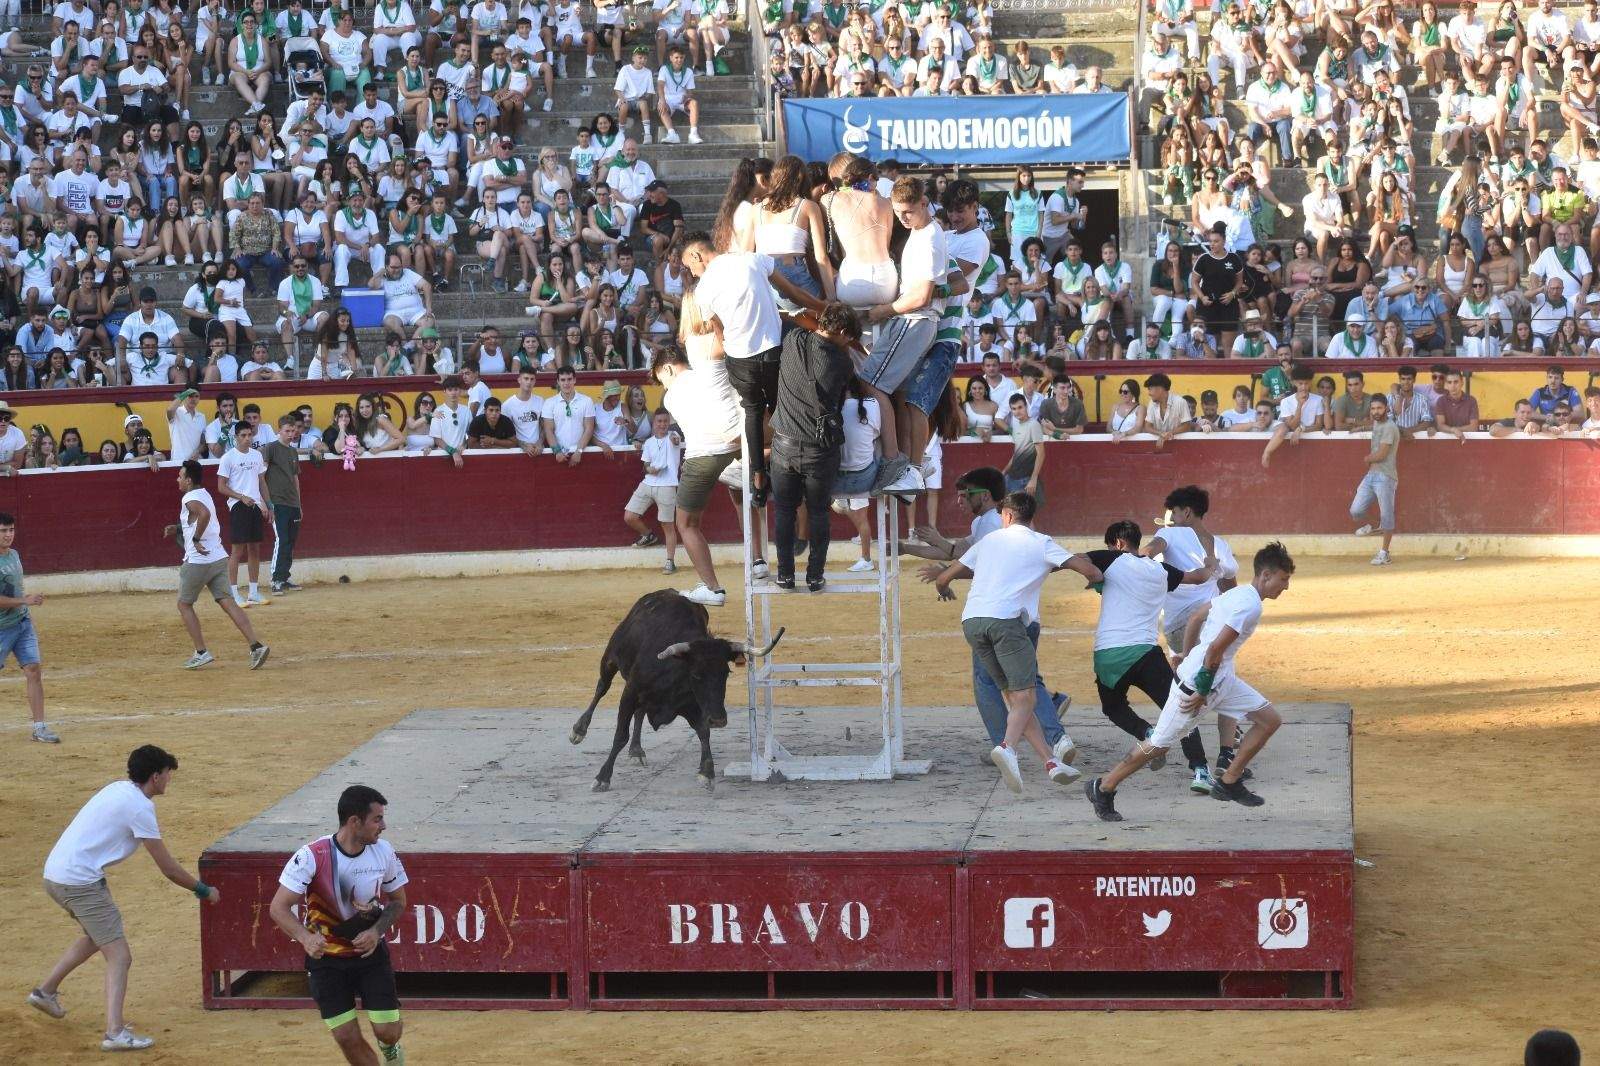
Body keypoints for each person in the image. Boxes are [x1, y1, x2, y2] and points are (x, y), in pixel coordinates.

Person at [30, 745, 222, 1052]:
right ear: (155, 776)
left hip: (56, 874)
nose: (170, 779)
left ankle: (45, 991)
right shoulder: (140, 808)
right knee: (119, 954)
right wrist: (203, 890)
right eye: (168, 773)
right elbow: (169, 869)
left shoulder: (118, 789)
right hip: (79, 881)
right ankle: (114, 1032)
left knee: (97, 936)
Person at [1086, 542, 1296, 822]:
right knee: (1159, 744)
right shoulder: (1248, 606)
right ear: (1266, 575)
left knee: (1269, 719)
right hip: (1202, 682)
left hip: (1220, 678)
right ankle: (1103, 787)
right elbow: (1214, 651)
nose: (1286, 587)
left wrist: (1184, 656)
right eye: (1284, 579)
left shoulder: (1238, 594)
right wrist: (1202, 688)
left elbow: (1198, 617)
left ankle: (1230, 780)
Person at [928, 491, 1102, 793]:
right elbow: (1090, 569)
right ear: (1030, 516)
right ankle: (1007, 748)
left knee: (1014, 697)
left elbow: (944, 578)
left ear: (1006, 516)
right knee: (1027, 696)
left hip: (972, 622)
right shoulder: (1041, 542)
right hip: (1007, 623)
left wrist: (944, 589)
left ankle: (1050, 761)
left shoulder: (989, 541)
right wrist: (1093, 578)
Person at [907, 466, 1078, 775]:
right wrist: (912, 549)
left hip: (998, 614)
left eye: (964, 495)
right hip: (1012, 614)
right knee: (1021, 685)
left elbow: (972, 560)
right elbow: (961, 553)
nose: (958, 501)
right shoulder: (989, 524)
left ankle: (1012, 743)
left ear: (985, 497)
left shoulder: (991, 526)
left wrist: (944, 570)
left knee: (1003, 686)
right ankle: (1044, 743)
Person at [268, 785, 409, 1066]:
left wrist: (376, 931)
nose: (384, 826)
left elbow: (398, 902)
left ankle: (390, 1048)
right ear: (354, 821)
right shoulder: (312, 855)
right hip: (327, 962)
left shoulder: (383, 852)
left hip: (370, 957)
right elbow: (278, 907)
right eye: (377, 819)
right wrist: (305, 938)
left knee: (388, 1032)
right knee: (347, 1037)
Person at [679, 230, 822, 503]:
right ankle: (790, 472)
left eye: (690, 266)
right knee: (781, 411)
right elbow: (790, 292)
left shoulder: (703, 290)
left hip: (740, 359)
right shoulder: (752, 260)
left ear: (697, 255)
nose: (693, 273)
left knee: (753, 413)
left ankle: (758, 478)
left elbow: (719, 333)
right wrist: (822, 307)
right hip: (771, 351)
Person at [767, 303, 863, 591]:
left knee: (785, 510)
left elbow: (799, 319)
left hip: (784, 444)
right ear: (844, 332)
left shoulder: (794, 340)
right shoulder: (843, 363)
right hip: (820, 450)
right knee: (819, 512)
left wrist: (816, 318)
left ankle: (785, 573)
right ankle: (814, 575)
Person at [651, 345, 741, 607]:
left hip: (702, 455)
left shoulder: (671, 397)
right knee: (744, 502)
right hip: (735, 448)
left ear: (667, 368)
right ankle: (758, 559)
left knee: (686, 523)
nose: (664, 386)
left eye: (662, 379)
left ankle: (712, 587)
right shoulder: (708, 373)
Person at [165, 460, 271, 670]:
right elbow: (201, 517)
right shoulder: (204, 493)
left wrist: (195, 540)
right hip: (218, 558)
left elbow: (202, 515)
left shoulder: (189, 498)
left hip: (198, 561)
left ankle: (201, 652)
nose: (177, 479)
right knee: (227, 602)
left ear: (188, 480)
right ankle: (255, 645)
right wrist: (178, 529)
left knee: (184, 605)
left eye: (180, 476)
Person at [0, 511, 57, 743]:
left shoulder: (14, 555)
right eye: (3, 531)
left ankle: (39, 727)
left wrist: (26, 609)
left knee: (33, 669)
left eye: (11, 530)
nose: (8, 535)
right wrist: (26, 600)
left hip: (22, 623)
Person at [217, 419, 272, 607]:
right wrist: (241, 497)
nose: (247, 438)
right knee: (237, 551)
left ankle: (253, 592)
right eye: (243, 435)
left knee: (255, 548)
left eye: (250, 435)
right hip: (239, 506)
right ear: (236, 437)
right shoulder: (228, 458)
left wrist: (268, 504)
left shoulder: (257, 455)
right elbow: (221, 487)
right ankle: (232, 593)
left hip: (255, 505)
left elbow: (262, 482)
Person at [623, 408, 681, 574]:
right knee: (630, 516)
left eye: (665, 421)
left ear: (669, 423)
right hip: (649, 482)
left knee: (667, 525)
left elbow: (676, 440)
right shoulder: (648, 443)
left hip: (667, 485)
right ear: (654, 423)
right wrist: (650, 470)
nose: (662, 424)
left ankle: (670, 561)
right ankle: (648, 534)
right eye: (659, 421)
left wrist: (675, 436)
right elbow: (645, 465)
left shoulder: (672, 437)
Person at [1352, 393, 1401, 566]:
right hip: (1372, 475)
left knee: (1387, 516)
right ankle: (1373, 526)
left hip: (1385, 476)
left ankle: (1384, 553)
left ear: (1386, 408)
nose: (1376, 411)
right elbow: (1373, 427)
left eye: (1379, 408)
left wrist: (1367, 459)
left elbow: (1381, 454)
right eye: (1373, 408)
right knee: (1356, 511)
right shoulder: (1378, 424)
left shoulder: (1389, 427)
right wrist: (1360, 428)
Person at [263, 414, 304, 595]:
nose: (290, 434)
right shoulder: (270, 448)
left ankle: (284, 577)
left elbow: (295, 479)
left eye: (293, 431)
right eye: (287, 430)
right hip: (277, 502)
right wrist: (267, 502)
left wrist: (299, 504)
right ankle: (276, 579)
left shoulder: (293, 452)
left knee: (290, 541)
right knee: (282, 540)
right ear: (279, 430)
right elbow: (261, 475)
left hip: (292, 503)